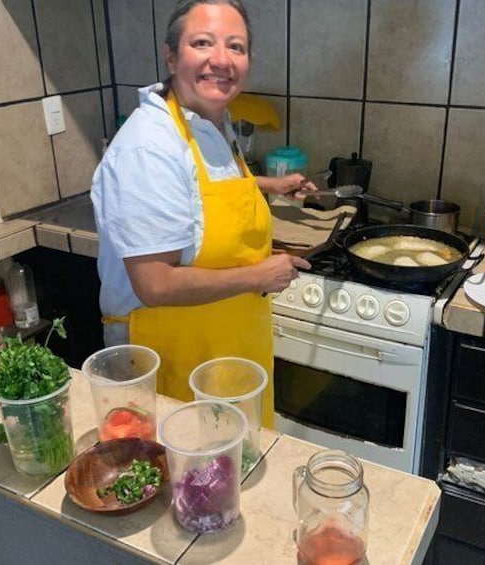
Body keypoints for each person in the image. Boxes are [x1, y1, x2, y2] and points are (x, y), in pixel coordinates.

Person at [91, 0, 314, 428]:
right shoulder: (148, 146)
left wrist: (268, 184)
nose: (221, 60)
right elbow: (155, 283)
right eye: (202, 43)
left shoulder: (210, 120)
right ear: (171, 56)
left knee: (230, 459)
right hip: (168, 352)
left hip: (225, 347)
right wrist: (259, 275)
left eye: (236, 46)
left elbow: (199, 185)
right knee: (182, 463)